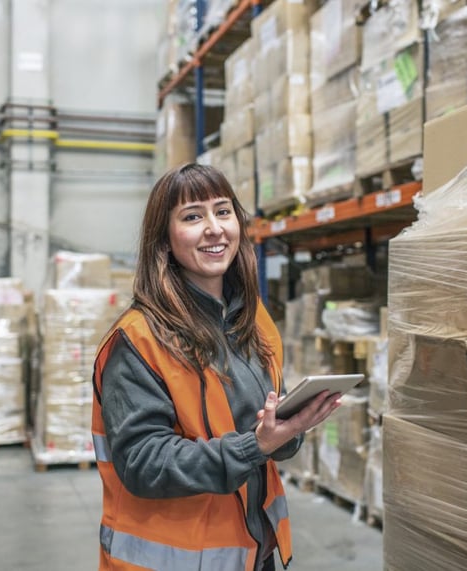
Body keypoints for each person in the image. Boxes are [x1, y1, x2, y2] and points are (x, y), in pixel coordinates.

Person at [91, 163, 342, 570]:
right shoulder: (137, 340)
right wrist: (256, 445)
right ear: (166, 240)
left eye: (223, 211)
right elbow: (143, 462)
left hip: (251, 553)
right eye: (193, 217)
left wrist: (292, 427)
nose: (214, 228)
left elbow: (261, 426)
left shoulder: (254, 320)